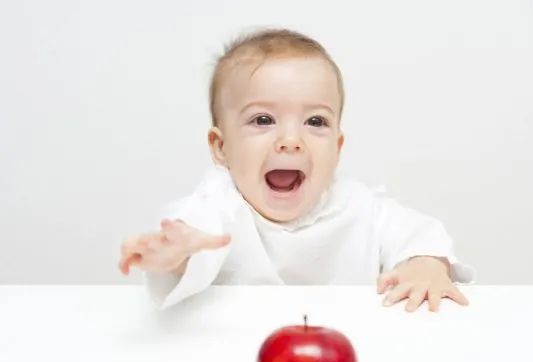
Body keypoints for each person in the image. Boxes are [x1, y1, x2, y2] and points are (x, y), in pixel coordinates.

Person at [119, 27, 475, 312]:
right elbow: (191, 232)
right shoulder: (219, 206)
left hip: (350, 351)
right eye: (263, 119)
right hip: (233, 355)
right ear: (221, 147)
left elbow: (421, 234)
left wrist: (425, 266)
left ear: (336, 148)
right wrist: (175, 253)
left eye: (315, 121)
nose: (291, 140)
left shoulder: (358, 207)